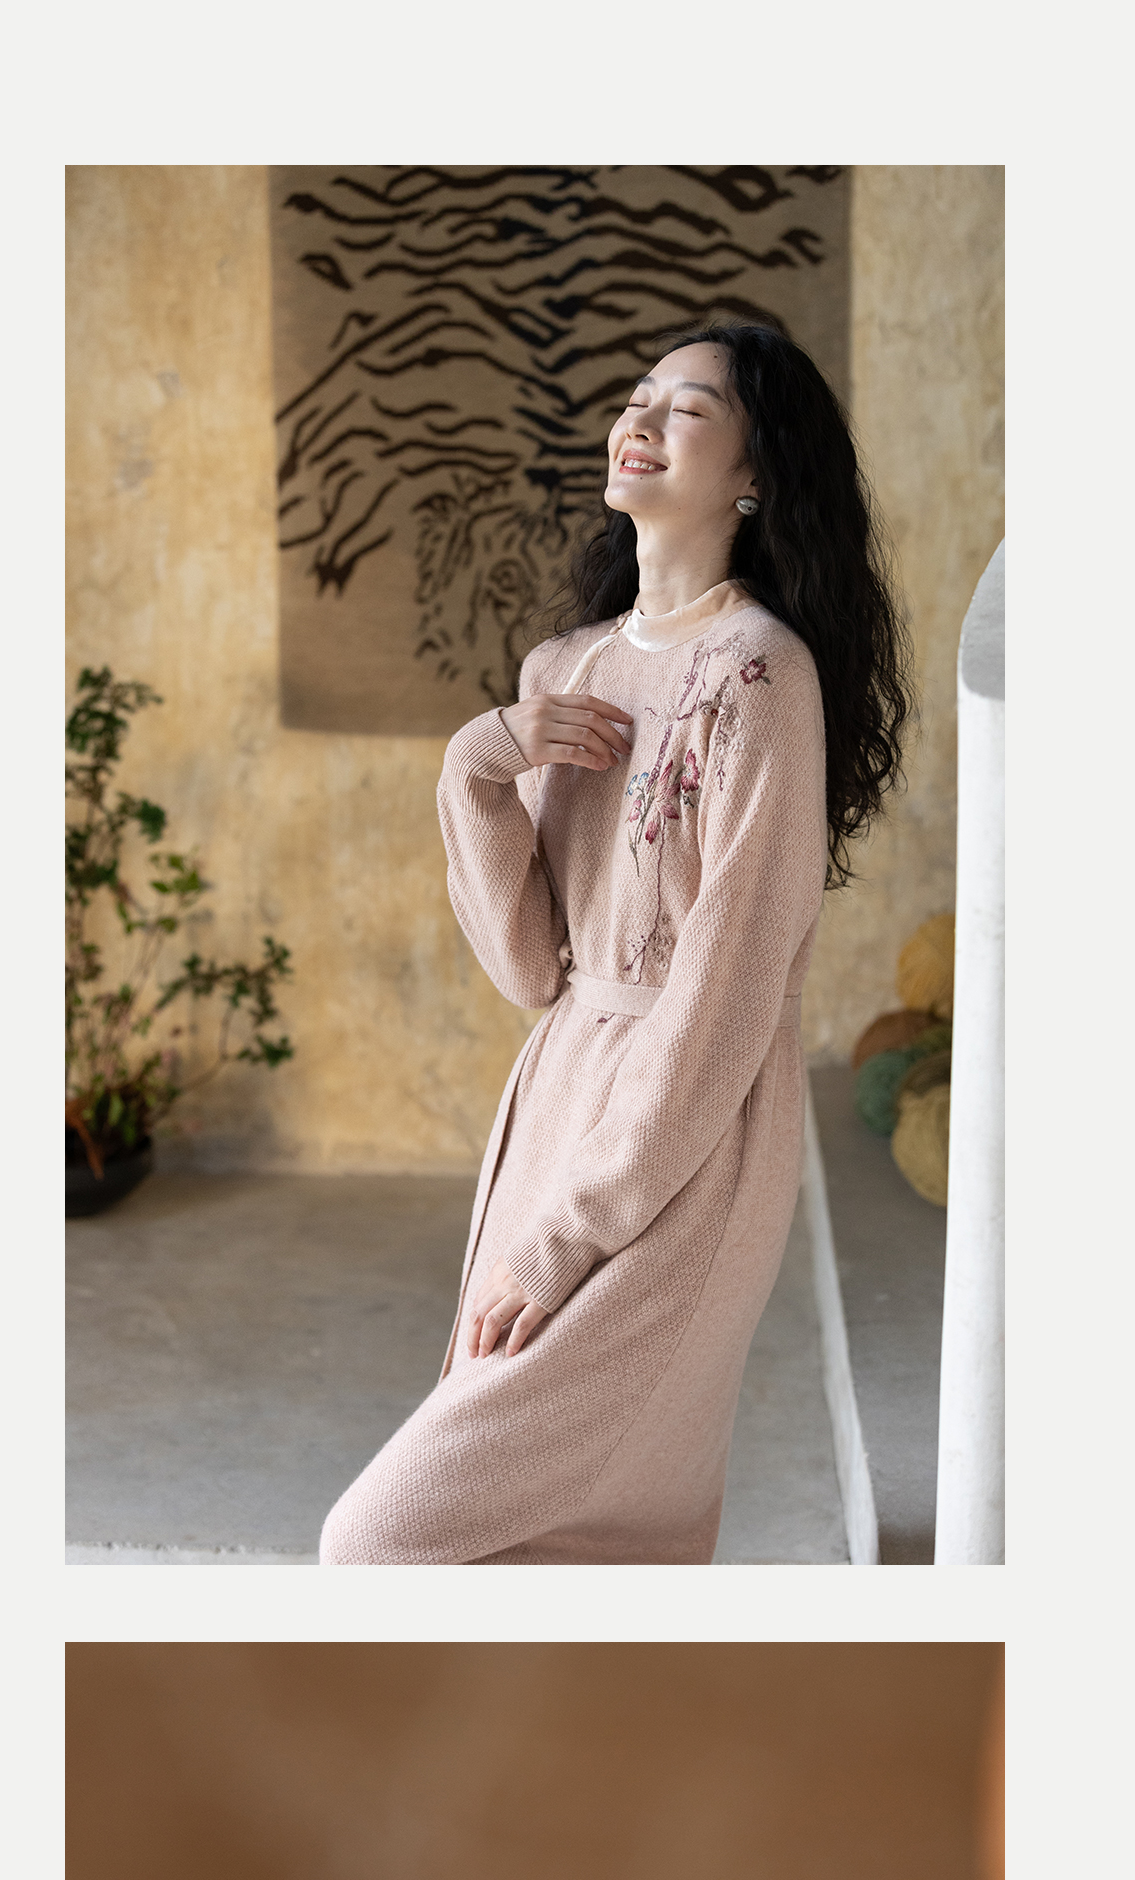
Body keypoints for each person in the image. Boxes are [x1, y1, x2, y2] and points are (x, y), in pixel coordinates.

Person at [319, 320, 912, 1565]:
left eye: (685, 407)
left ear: (754, 475)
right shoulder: (567, 666)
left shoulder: (760, 678)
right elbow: (531, 969)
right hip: (555, 1106)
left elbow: (727, 999)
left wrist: (566, 1235)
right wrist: (477, 765)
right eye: (637, 396)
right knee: (586, 1544)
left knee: (382, 1539)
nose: (637, 419)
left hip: (682, 1138)